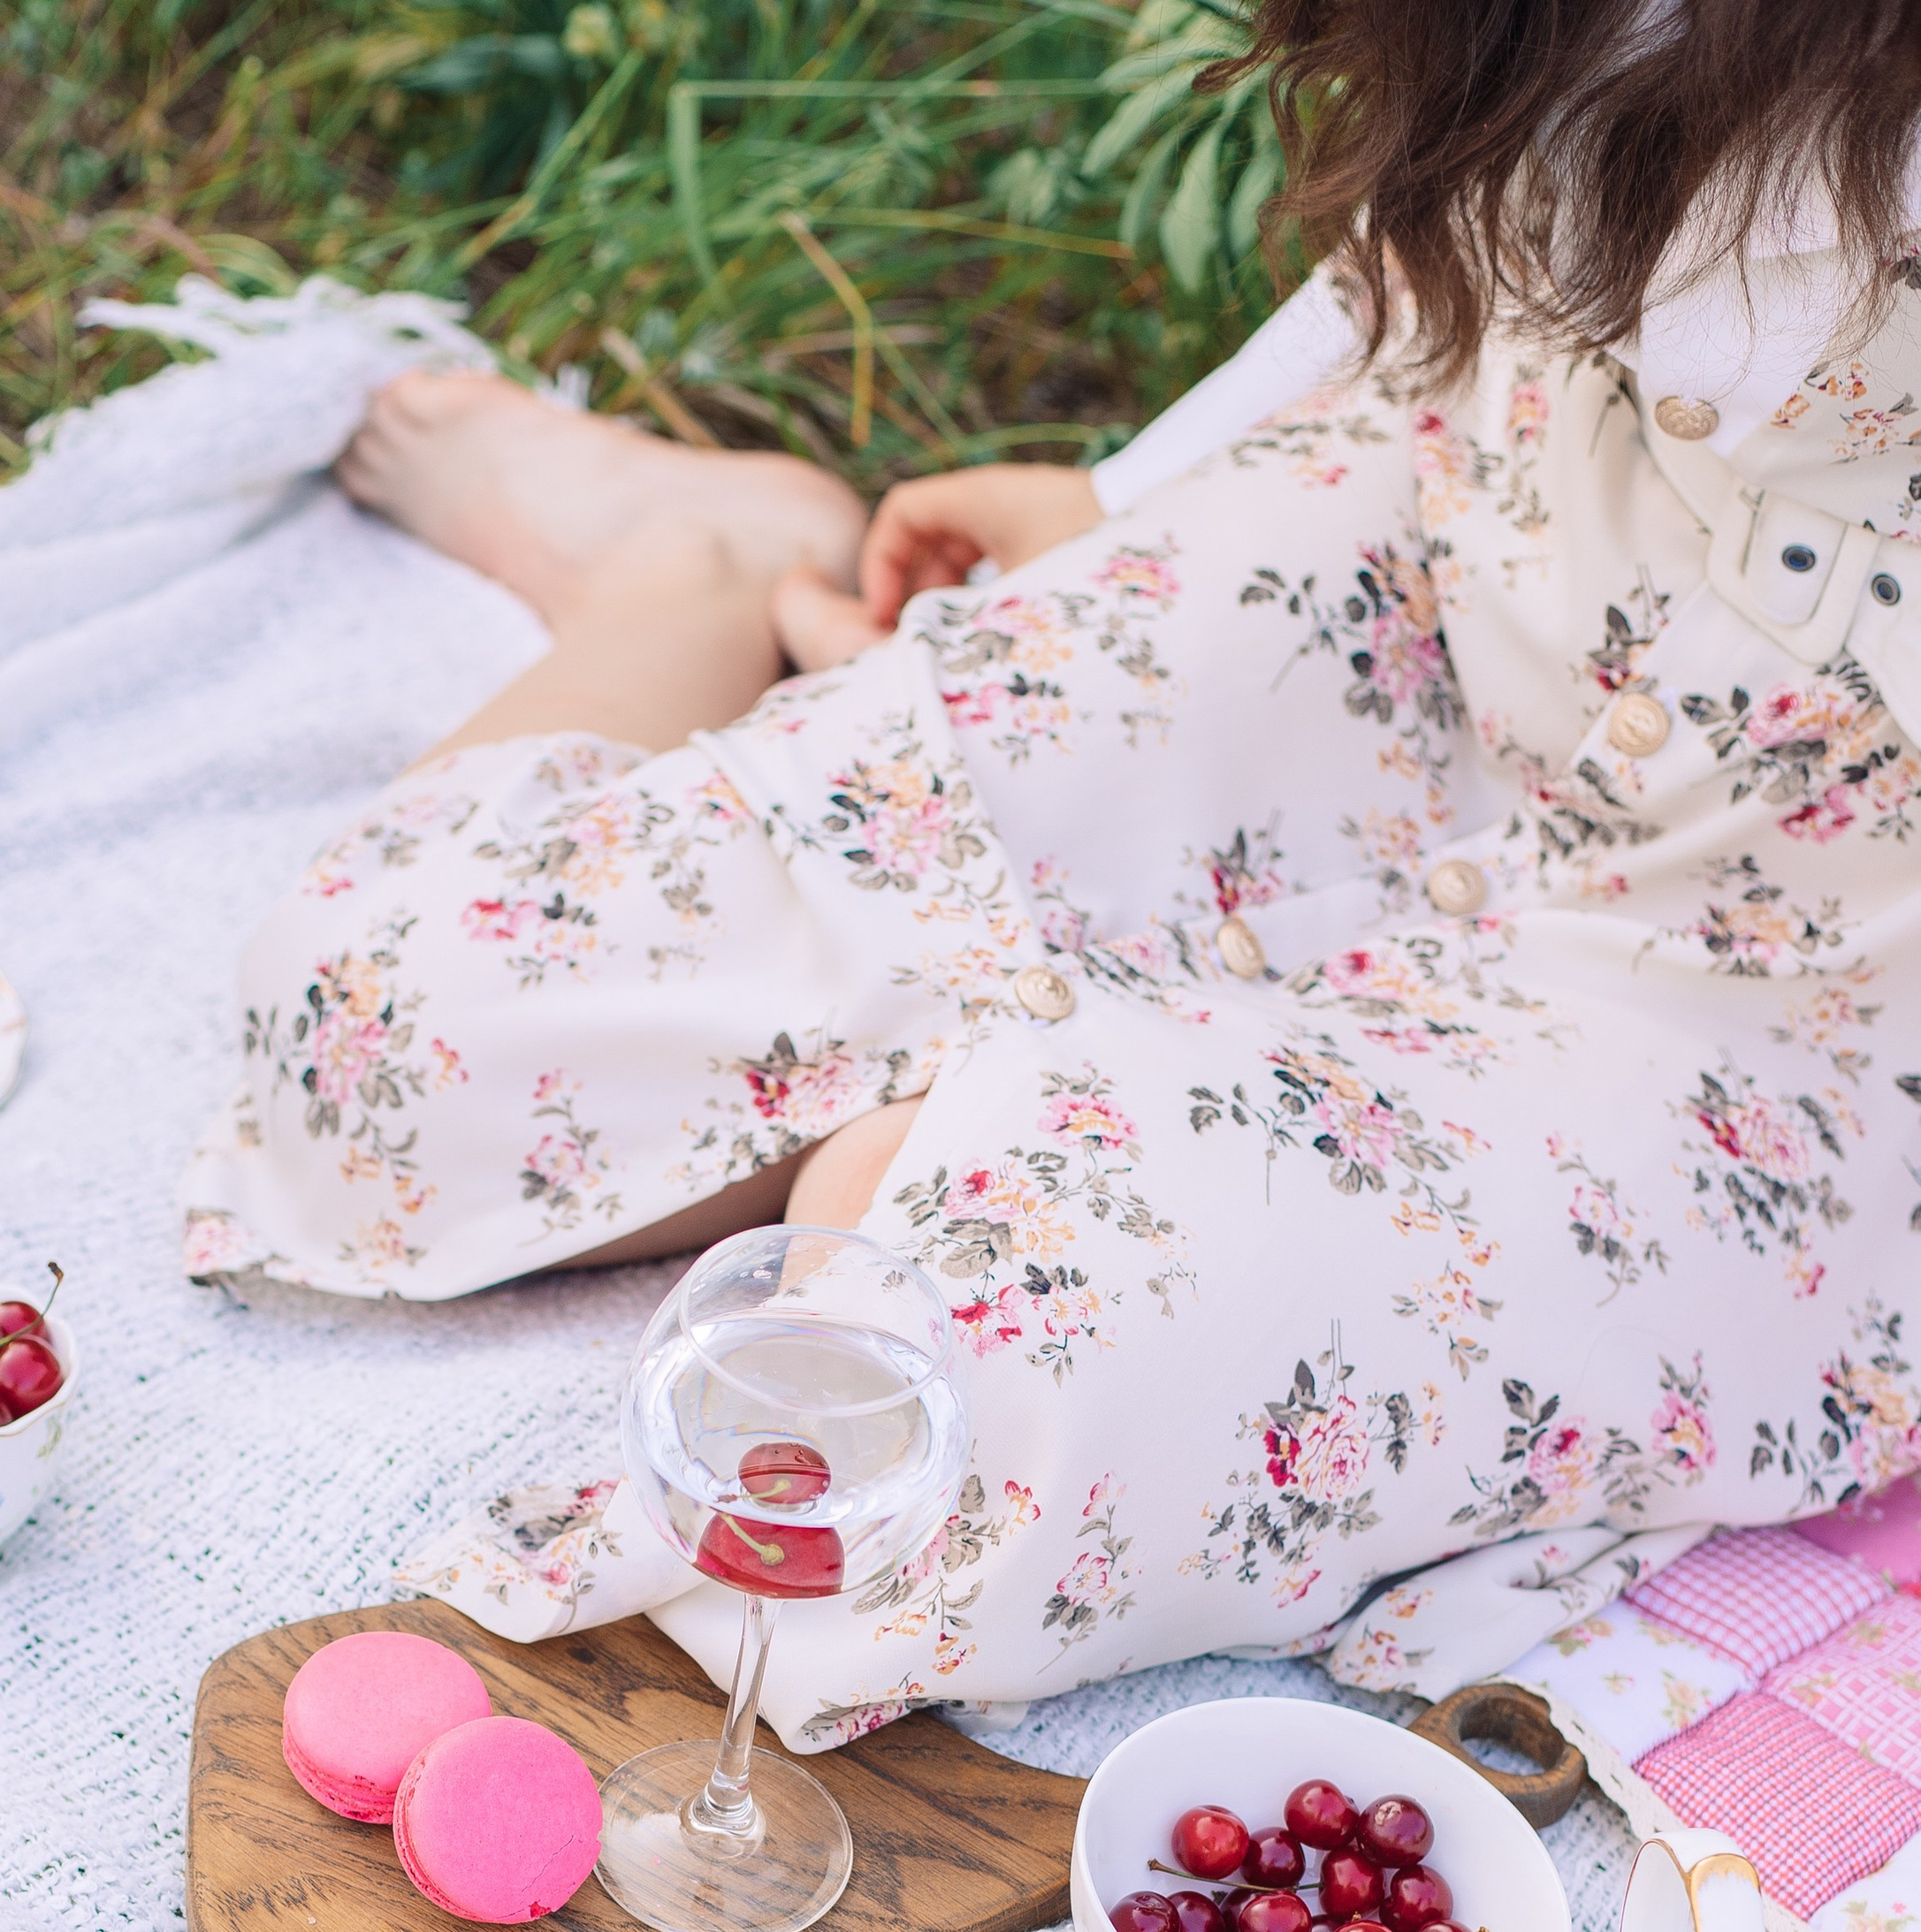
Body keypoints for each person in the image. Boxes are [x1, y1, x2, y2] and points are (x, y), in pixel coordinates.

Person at [183, 0, 1921, 1749]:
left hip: (1788, 992)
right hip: (1457, 551)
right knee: (384, 1045)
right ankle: (694, 564)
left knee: (922, 1435)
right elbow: (1511, 134)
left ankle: (1010, 1119)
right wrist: (1135, 493)